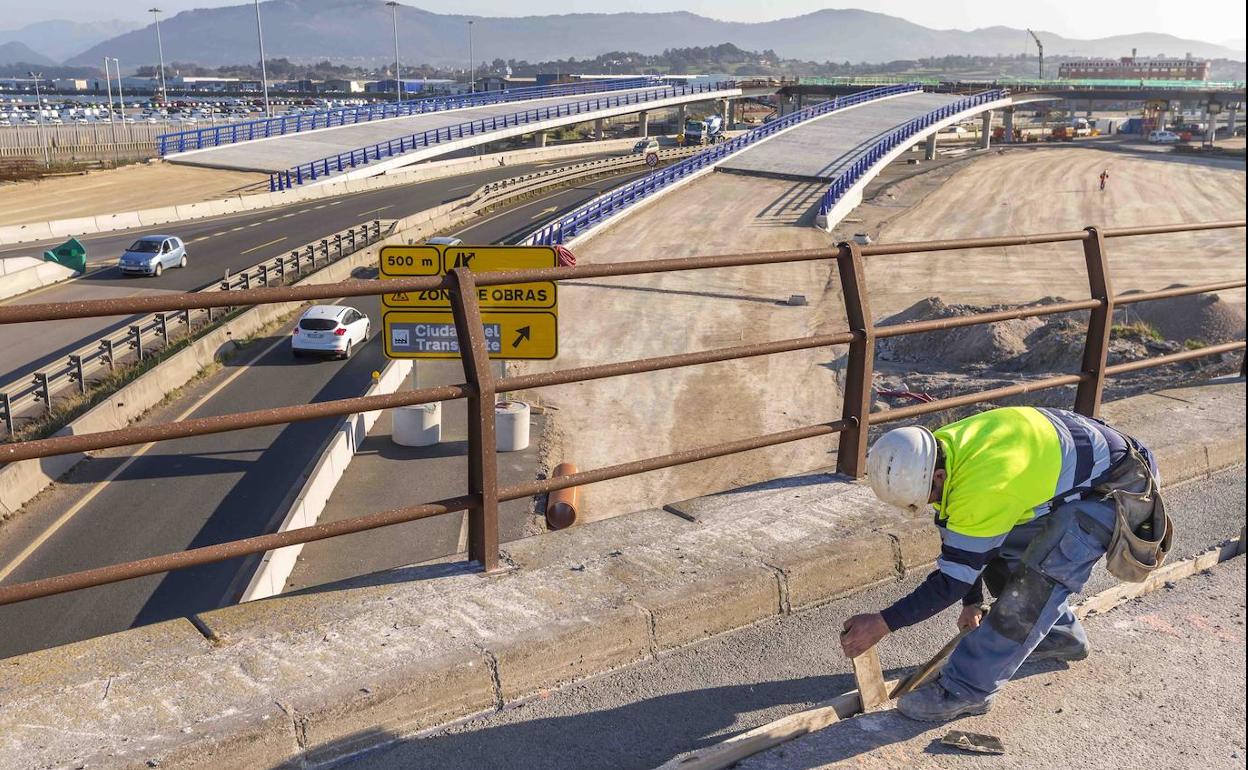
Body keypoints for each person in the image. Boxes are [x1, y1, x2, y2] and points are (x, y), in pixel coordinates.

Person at [840, 406, 1170, 722]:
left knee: (1034, 586)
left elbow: (950, 580)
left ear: (937, 476)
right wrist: (973, 602)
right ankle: (1059, 636)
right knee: (998, 547)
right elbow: (961, 541)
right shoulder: (940, 447)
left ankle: (966, 689)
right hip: (1086, 475)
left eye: (927, 498)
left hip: (1116, 490)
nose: (928, 504)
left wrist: (882, 622)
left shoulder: (982, 485)